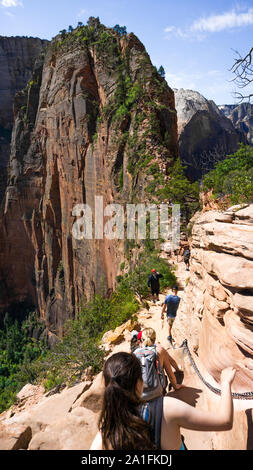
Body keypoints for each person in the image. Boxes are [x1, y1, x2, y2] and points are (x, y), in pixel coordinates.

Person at [90, 351, 236, 450]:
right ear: (138, 384)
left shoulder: (103, 438)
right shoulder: (167, 409)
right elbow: (225, 421)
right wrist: (225, 383)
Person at [134, 327, 182, 396]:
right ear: (155, 339)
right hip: (158, 391)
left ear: (141, 339)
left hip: (140, 393)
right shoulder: (160, 349)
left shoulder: (136, 353)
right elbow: (170, 374)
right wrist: (176, 386)